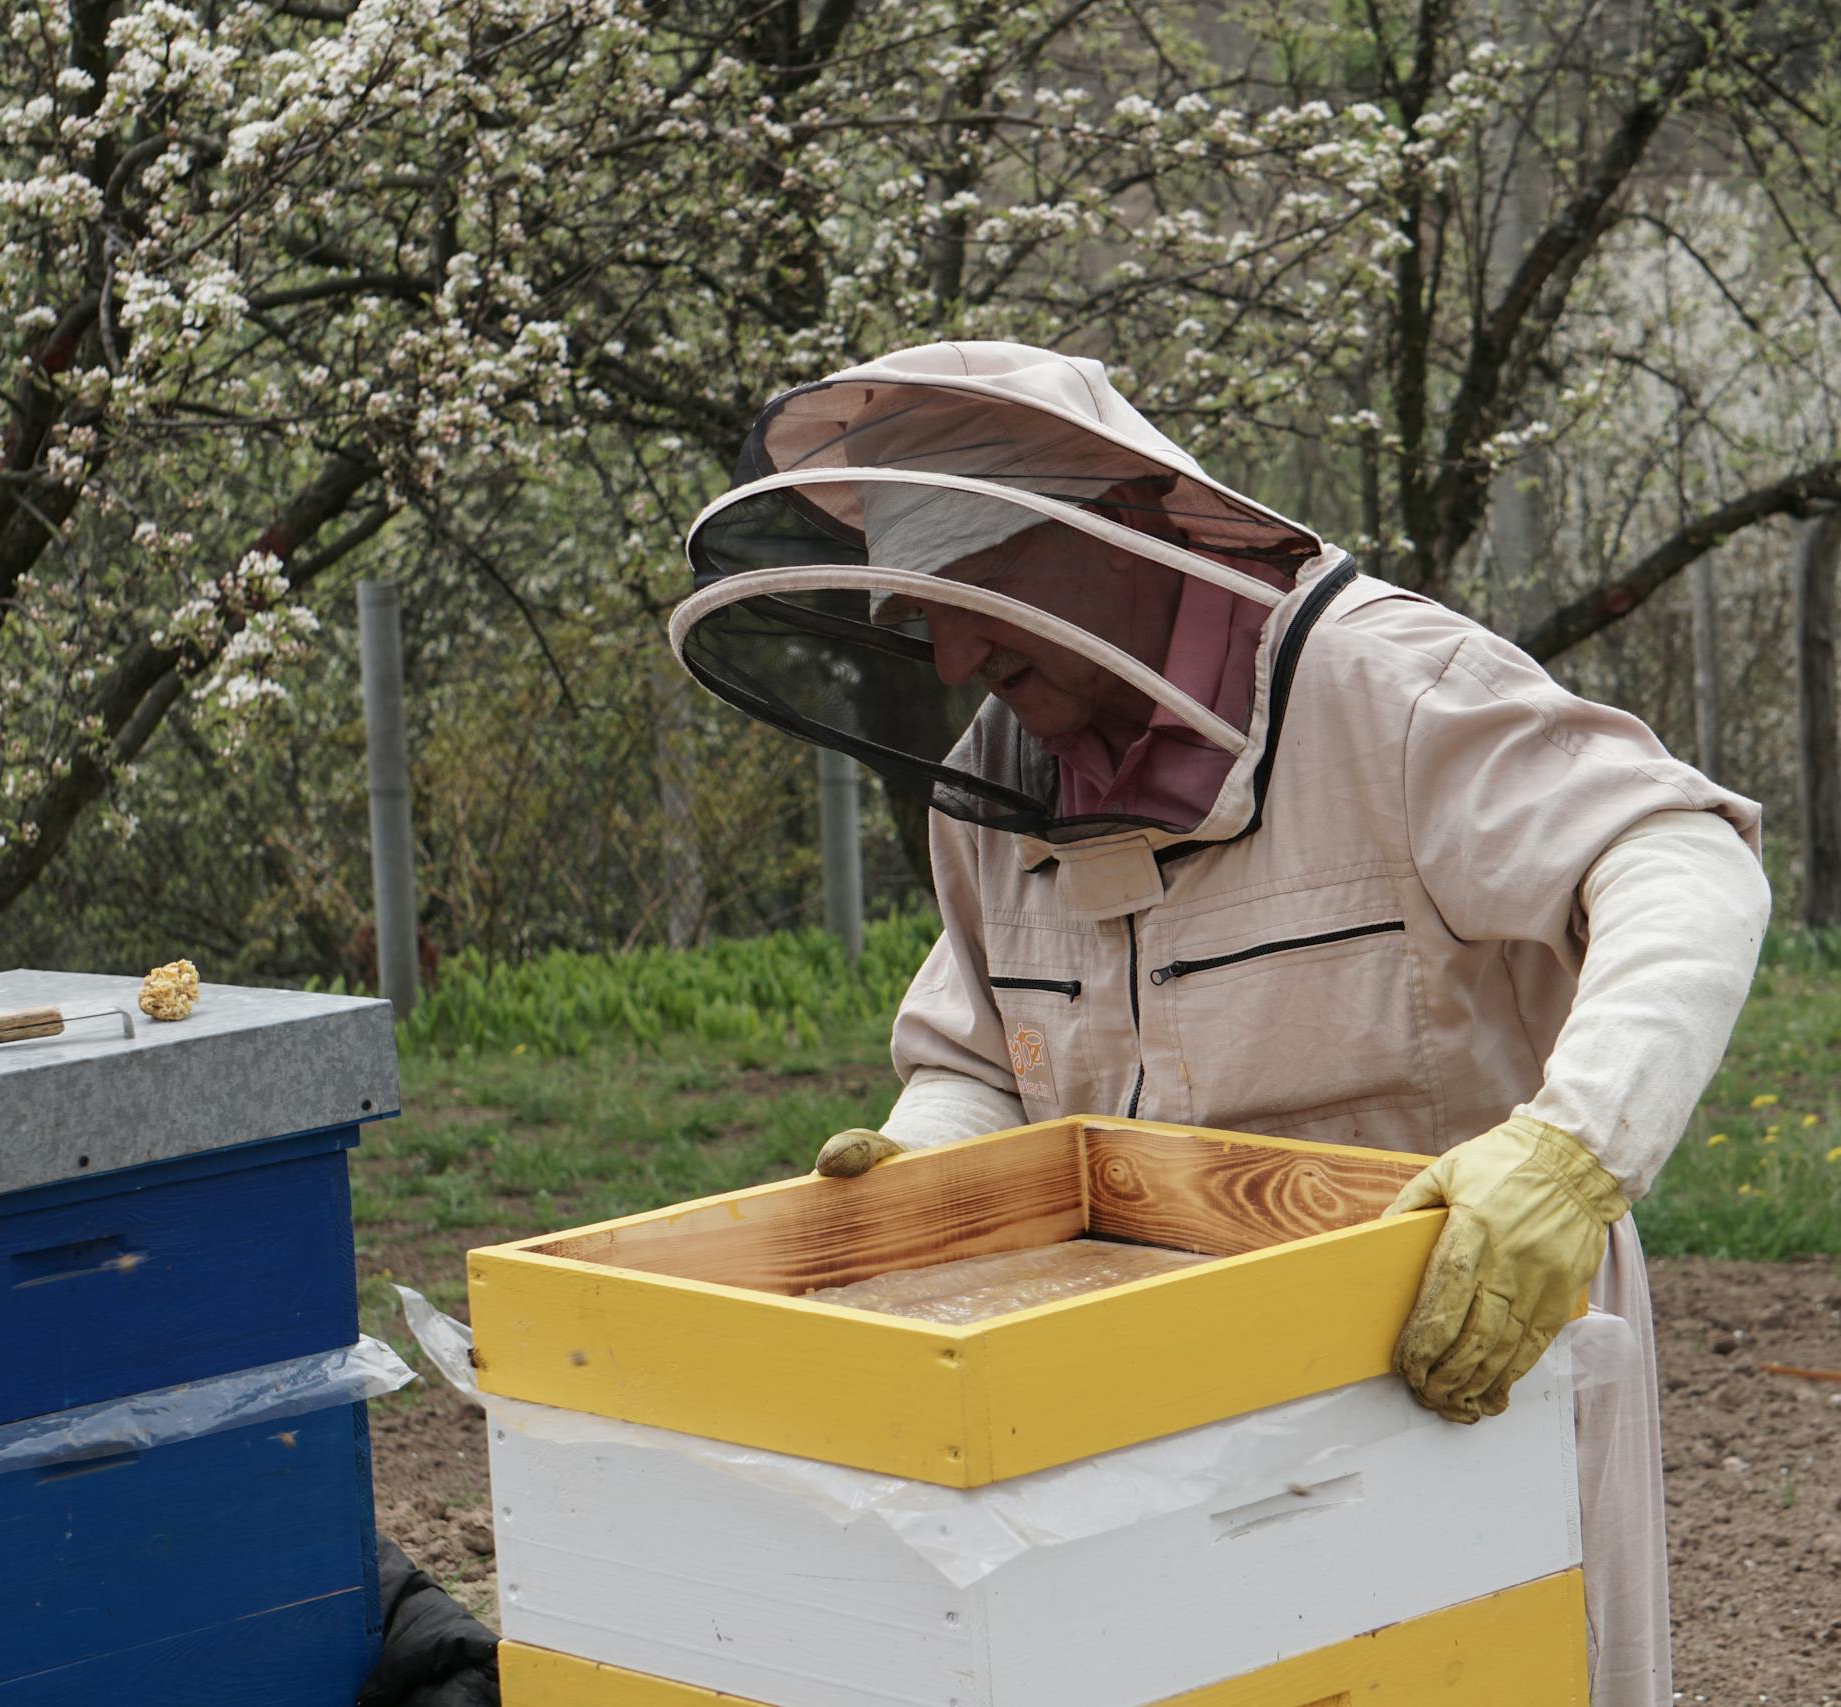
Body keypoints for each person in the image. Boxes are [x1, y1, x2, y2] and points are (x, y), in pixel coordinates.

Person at [668, 341, 1770, 1707]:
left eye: (976, 591)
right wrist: (934, 1167)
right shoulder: (995, 785)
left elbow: (1680, 859)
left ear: (1124, 528)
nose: (952, 654)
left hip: (1461, 1369)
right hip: (1151, 1408)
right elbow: (976, 1053)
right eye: (923, 613)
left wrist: (1573, 1150)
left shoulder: (1394, 690)